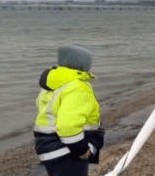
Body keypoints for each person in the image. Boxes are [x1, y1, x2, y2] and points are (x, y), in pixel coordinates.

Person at [34, 45, 105, 176]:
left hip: (48, 148)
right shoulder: (78, 88)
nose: (93, 68)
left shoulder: (54, 83)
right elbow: (67, 126)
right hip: (67, 152)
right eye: (90, 64)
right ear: (84, 66)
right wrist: (82, 150)